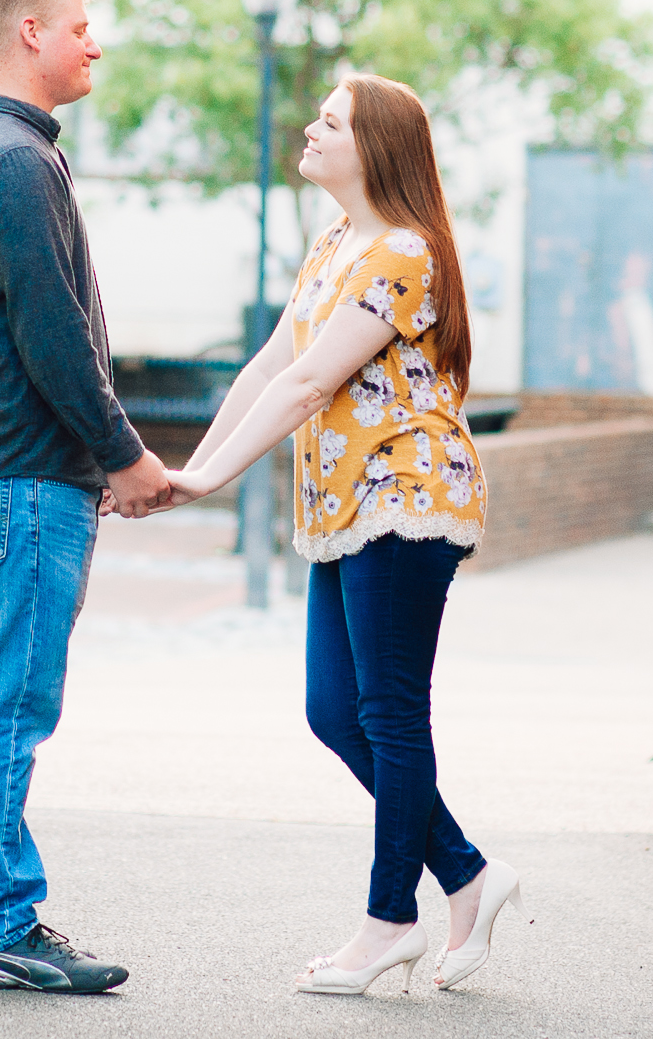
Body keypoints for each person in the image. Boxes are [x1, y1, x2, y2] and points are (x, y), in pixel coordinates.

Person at [168, 73, 531, 995]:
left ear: (374, 147)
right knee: (335, 710)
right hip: (344, 504)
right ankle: (470, 876)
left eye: (330, 121)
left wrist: (209, 478)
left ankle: (387, 923)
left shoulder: (406, 253)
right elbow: (270, 364)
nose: (310, 127)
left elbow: (306, 386)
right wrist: (184, 470)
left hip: (407, 496)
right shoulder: (336, 241)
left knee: (392, 713)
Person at [0, 0, 172, 995]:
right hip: (19, 478)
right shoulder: (16, 160)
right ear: (28, 32)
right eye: (79, 25)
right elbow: (54, 336)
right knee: (4, 709)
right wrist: (124, 453)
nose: (93, 42)